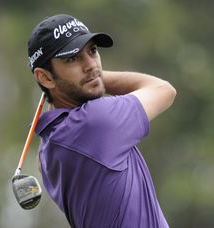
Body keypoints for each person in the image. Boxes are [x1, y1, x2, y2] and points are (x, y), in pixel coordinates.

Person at [27, 14, 176, 228]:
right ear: (45, 77)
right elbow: (164, 90)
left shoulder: (48, 148)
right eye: (72, 59)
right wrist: (96, 76)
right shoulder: (95, 121)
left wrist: (89, 76)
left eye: (92, 51)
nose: (90, 64)